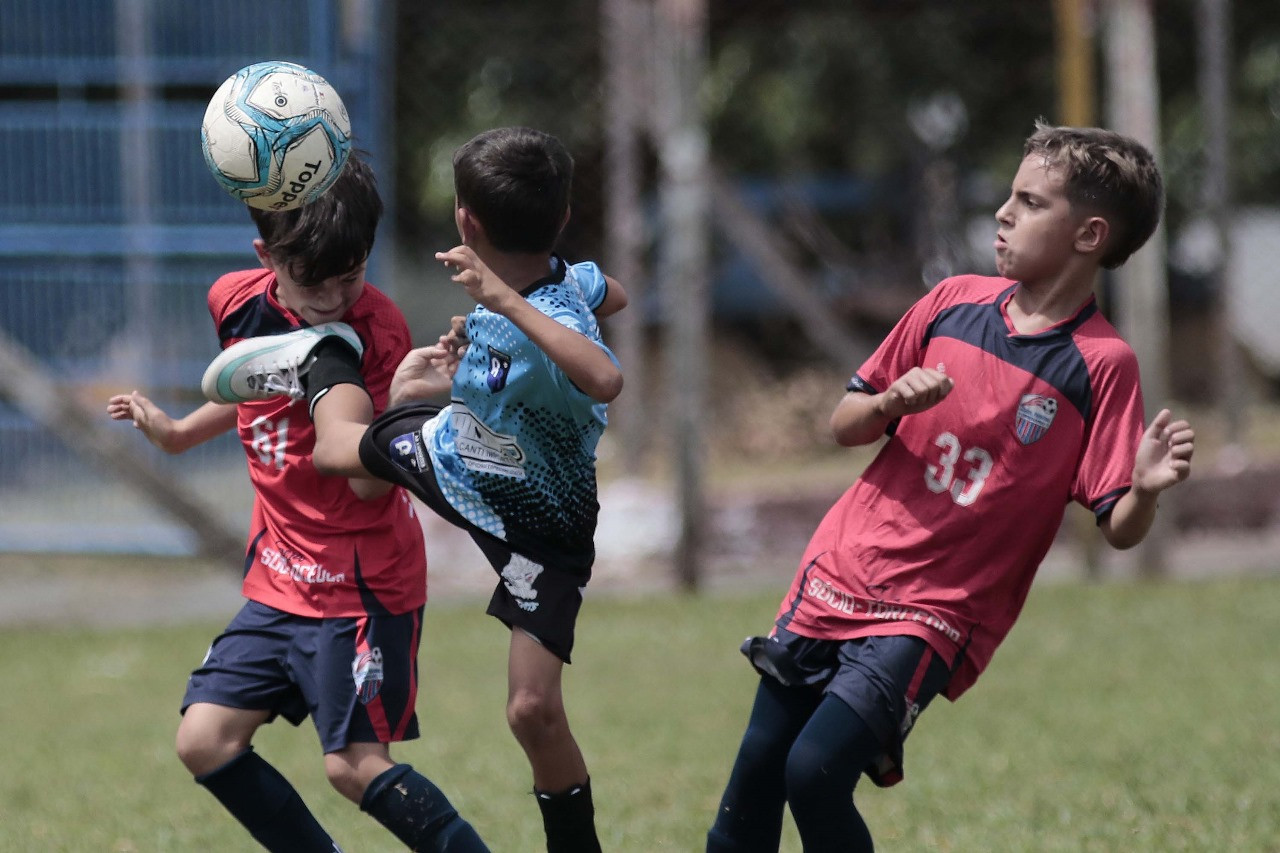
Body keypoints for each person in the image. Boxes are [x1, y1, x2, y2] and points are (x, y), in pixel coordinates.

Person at [704, 121, 1197, 852]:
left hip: (934, 612)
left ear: (1090, 234)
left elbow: (1116, 524)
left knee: (814, 772)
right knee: (756, 773)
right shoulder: (951, 302)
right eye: (1010, 195)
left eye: (1030, 203)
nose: (1003, 213)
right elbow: (846, 423)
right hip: (842, 569)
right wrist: (889, 404)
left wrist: (1147, 488)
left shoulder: (1100, 364)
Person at [200, 126, 628, 853]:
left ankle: (325, 365)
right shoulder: (550, 282)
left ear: (465, 220)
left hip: (539, 522)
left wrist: (509, 303)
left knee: (531, 711)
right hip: (460, 461)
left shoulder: (539, 302)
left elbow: (603, 375)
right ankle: (357, 386)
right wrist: (455, 368)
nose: (339, 292)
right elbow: (607, 289)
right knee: (208, 738)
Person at [107, 153, 488, 852]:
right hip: (279, 576)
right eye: (314, 280)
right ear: (267, 254)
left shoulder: (378, 332)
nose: (334, 299)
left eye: (353, 275)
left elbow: (370, 482)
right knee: (205, 738)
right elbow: (257, 383)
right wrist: (179, 432)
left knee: (353, 764)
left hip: (359, 583)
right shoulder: (235, 300)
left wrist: (400, 404)